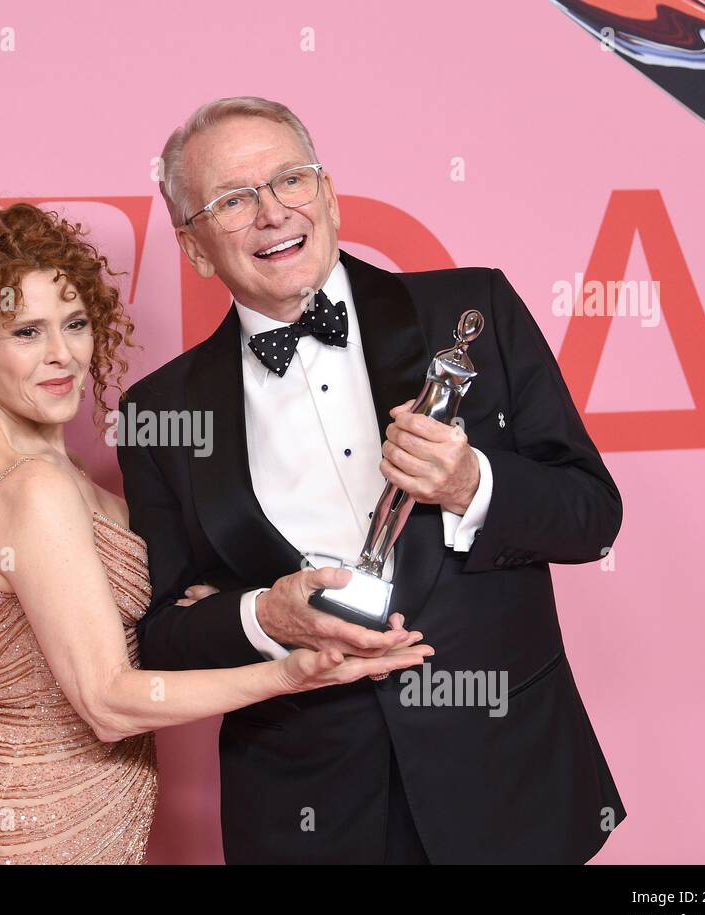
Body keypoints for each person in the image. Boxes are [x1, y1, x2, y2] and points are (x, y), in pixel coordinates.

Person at [117, 96, 628, 863]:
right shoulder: (157, 411)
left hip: (505, 776)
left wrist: (473, 485)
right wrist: (263, 616)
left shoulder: (472, 308)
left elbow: (592, 515)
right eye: (232, 200)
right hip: (306, 807)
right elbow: (161, 634)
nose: (271, 213)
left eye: (290, 180)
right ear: (193, 247)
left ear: (328, 194)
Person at [0, 202, 433, 864]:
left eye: (73, 323)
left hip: (58, 804)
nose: (62, 354)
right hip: (39, 825)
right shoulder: (32, 488)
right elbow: (107, 701)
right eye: (26, 333)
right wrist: (292, 672)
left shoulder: (10, 458)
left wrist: (211, 601)